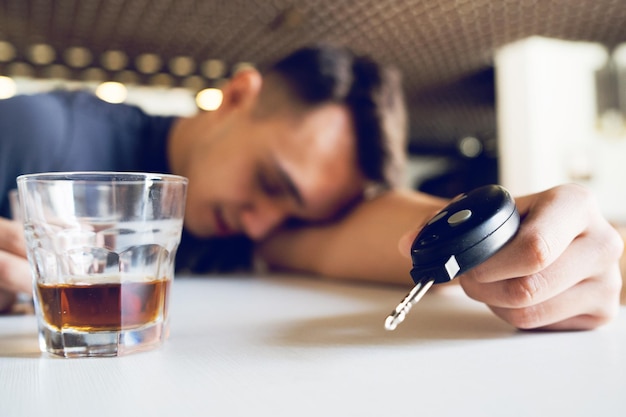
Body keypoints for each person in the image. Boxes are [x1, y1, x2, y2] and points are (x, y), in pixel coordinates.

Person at [0, 45, 623, 331]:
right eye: (271, 182)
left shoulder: (261, 227)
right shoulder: (41, 135)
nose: (262, 225)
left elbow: (390, 230)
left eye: (298, 215)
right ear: (239, 96)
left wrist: (534, 237)